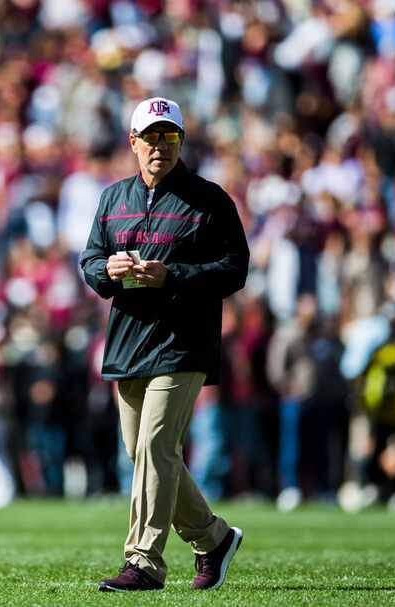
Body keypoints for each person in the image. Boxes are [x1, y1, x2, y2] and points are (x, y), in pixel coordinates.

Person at [80, 97, 250, 592]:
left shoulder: (210, 199)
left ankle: (144, 562)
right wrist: (105, 272)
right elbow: (90, 259)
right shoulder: (113, 199)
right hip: (129, 342)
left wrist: (171, 276)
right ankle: (213, 538)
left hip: (184, 344)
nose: (160, 146)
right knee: (145, 452)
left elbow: (234, 269)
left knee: (156, 444)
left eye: (169, 137)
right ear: (132, 143)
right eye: (151, 137)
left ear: (181, 142)